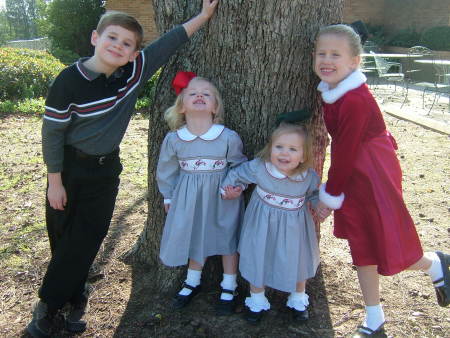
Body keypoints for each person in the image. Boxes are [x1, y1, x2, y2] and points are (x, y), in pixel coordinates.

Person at [28, 2, 220, 337]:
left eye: (127, 43)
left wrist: (202, 17)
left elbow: (169, 42)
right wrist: (54, 182)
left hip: (104, 173)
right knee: (62, 237)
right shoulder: (68, 81)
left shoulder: (133, 72)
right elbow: (52, 133)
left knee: (88, 236)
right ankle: (75, 295)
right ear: (95, 37)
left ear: (134, 53)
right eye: (112, 37)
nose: (118, 45)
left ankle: (45, 309)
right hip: (69, 170)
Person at [313, 24, 450, 337]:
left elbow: (346, 152)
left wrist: (329, 198)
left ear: (355, 62)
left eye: (336, 54)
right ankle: (375, 316)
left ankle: (431, 264)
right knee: (362, 240)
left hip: (372, 171)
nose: (327, 60)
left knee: (383, 236)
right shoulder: (333, 90)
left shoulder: (354, 100)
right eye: (321, 53)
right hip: (356, 171)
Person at [156, 72, 247, 316]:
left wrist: (234, 187)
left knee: (228, 238)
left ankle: (229, 286)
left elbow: (238, 166)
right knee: (196, 235)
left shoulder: (227, 137)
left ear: (215, 106)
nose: (199, 96)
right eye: (192, 93)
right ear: (182, 106)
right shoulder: (175, 139)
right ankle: (192, 280)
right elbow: (167, 170)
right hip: (189, 198)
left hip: (222, 197)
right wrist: (168, 196)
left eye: (206, 94)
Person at [222, 120, 324, 324]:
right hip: (262, 225)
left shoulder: (307, 176)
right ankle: (257, 298)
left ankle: (297, 297)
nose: (284, 153)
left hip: (295, 229)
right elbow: (237, 175)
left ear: (303, 156)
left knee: (298, 260)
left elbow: (315, 194)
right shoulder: (260, 168)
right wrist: (230, 190)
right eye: (279, 147)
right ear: (270, 148)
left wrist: (320, 205)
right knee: (257, 257)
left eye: (293, 149)